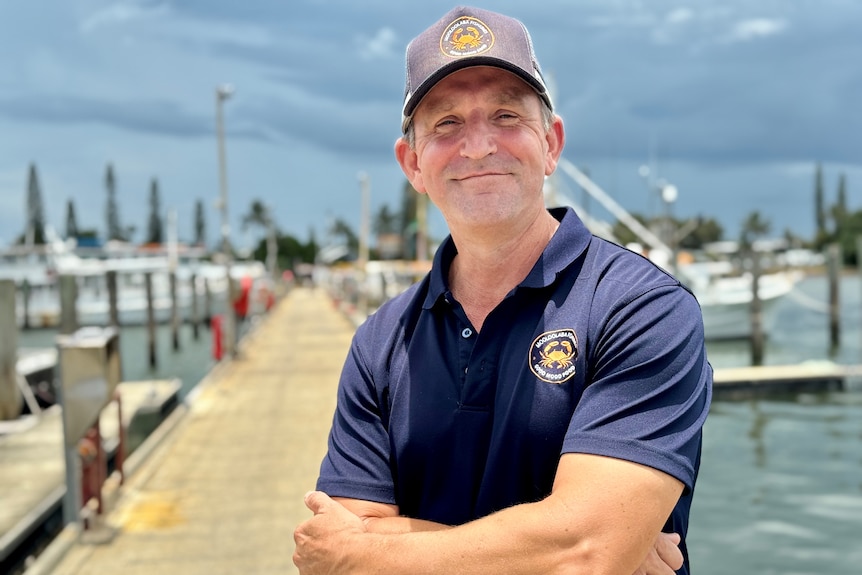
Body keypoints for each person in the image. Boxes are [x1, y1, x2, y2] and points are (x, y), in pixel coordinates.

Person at [294, 6, 712, 574]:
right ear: (412, 163)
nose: (477, 145)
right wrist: (564, 545)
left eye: (506, 115)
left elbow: (587, 554)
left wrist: (367, 550)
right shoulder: (379, 341)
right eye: (446, 123)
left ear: (551, 143)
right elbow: (585, 553)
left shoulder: (642, 309)